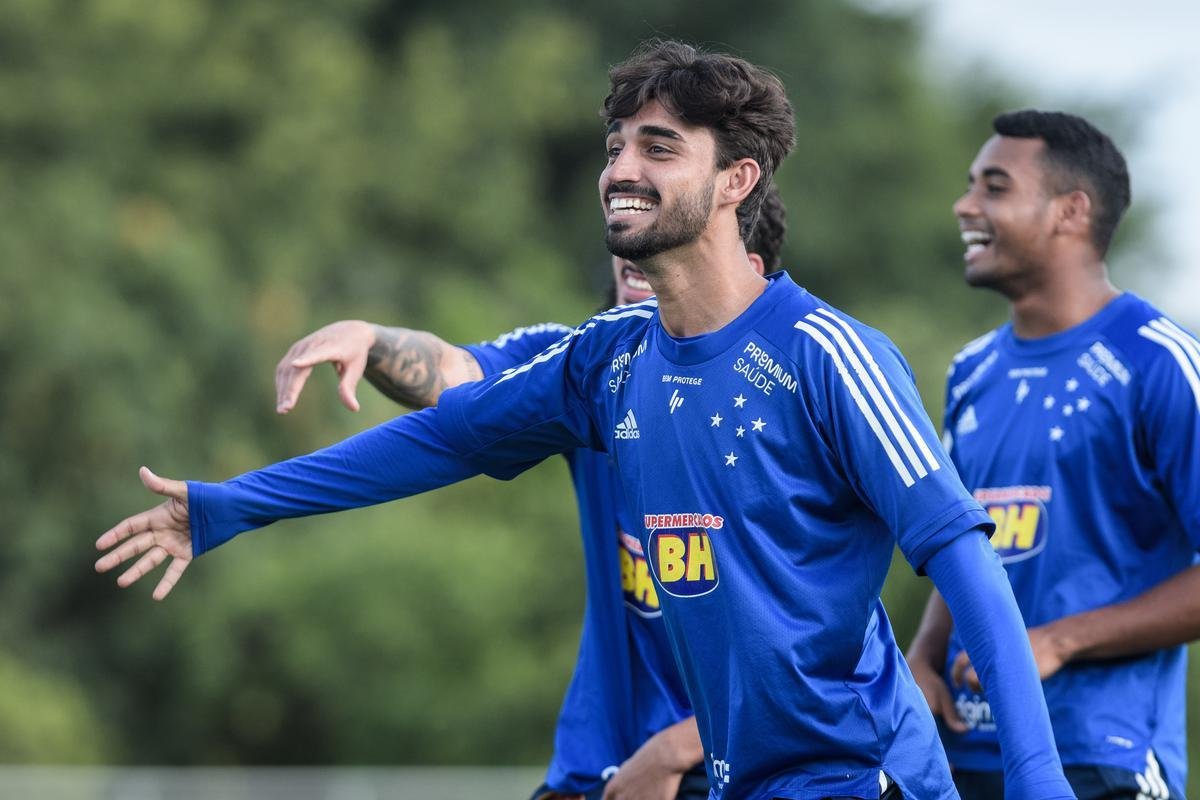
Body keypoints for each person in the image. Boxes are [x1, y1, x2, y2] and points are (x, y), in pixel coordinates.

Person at [95, 41, 1073, 799]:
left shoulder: (826, 354)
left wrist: (1036, 781)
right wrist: (229, 506)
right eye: (615, 148)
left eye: (659, 147)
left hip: (861, 777)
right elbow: (441, 434)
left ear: (736, 181)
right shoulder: (608, 360)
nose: (620, 168)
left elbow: (967, 564)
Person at [268, 186, 787, 800]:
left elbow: (818, 644)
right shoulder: (585, 370)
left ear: (749, 271)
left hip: (739, 765)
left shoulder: (781, 408)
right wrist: (372, 339)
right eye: (636, 260)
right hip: (594, 769)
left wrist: (675, 751)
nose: (646, 258)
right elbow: (458, 377)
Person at [905, 110, 1200, 800]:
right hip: (966, 753)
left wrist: (1057, 641)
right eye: (970, 184)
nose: (965, 204)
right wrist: (922, 655)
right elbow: (964, 545)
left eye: (994, 186)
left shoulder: (1159, 363)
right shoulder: (972, 369)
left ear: (1071, 211)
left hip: (1103, 760)